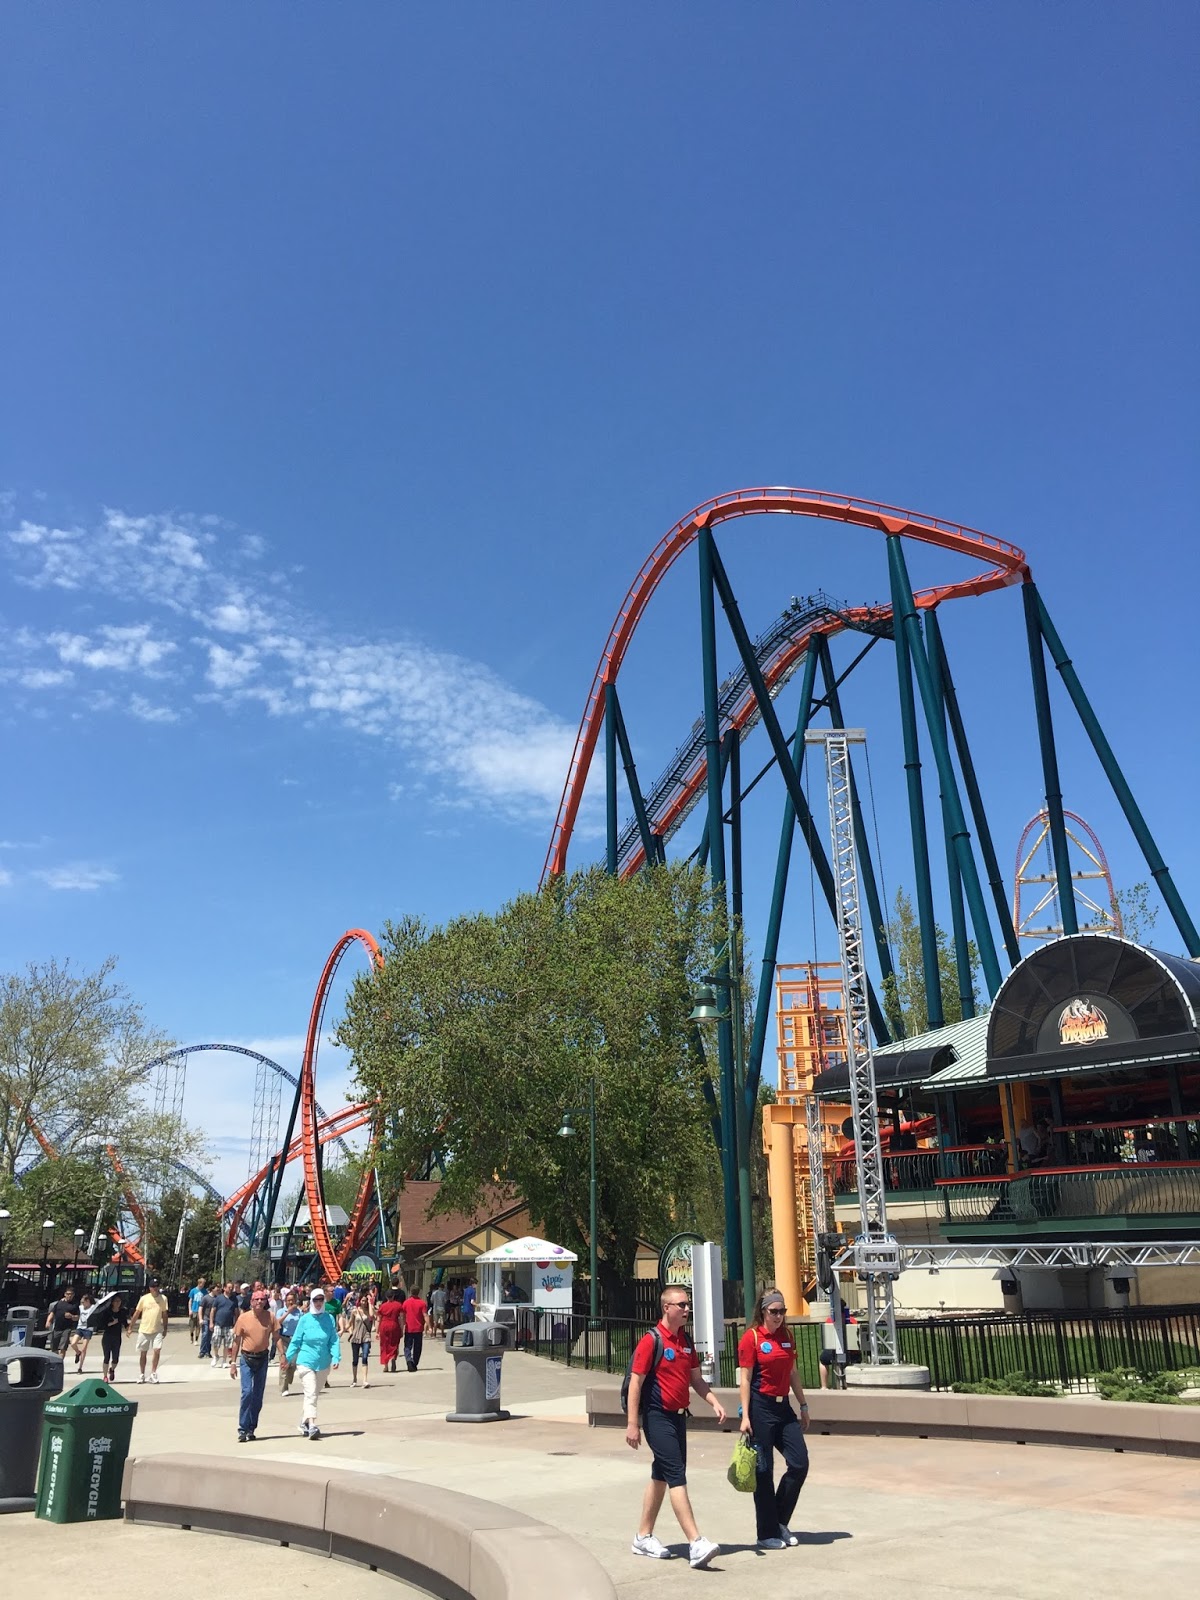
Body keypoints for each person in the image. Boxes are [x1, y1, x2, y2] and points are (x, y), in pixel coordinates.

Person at [626, 1288, 725, 1569]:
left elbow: (696, 1380)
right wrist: (633, 1423)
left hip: (679, 1417)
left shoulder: (685, 1341)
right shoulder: (651, 1341)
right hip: (657, 1417)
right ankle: (695, 1542)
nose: (686, 1309)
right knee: (677, 1476)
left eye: (688, 1305)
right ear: (666, 1307)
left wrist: (713, 1400)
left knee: (661, 1474)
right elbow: (636, 1383)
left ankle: (642, 1537)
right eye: (681, 1305)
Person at [737, 1290, 810, 1549]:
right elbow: (745, 1379)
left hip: (784, 1408)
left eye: (782, 1311)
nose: (779, 1316)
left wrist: (803, 1405)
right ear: (763, 1311)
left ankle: (779, 1521)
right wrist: (745, 1416)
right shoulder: (753, 1337)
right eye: (774, 1311)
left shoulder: (787, 1337)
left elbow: (792, 1372)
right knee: (764, 1471)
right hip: (761, 1408)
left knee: (799, 1463)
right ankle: (766, 1533)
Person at [285, 1287, 341, 1440]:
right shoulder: (305, 1319)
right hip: (306, 1361)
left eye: (321, 1299)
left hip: (323, 1362)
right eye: (315, 1300)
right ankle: (312, 1425)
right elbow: (296, 1341)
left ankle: (303, 1422)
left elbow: (333, 1340)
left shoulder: (329, 1319)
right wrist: (287, 1358)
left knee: (314, 1395)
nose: (318, 1302)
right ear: (311, 1301)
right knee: (310, 1392)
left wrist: (336, 1356)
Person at [230, 1287, 281, 1442]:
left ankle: (251, 1428)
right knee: (247, 1393)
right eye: (256, 1299)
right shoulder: (243, 1318)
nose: (259, 1301)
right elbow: (237, 1341)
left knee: (258, 1395)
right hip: (246, 1359)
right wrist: (232, 1363)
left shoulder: (270, 1317)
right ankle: (242, 1428)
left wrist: (283, 1355)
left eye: (262, 1299)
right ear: (251, 1302)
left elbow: (277, 1337)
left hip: (262, 1359)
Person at [127, 1276, 170, 1383]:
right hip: (144, 1329)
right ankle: (142, 1374)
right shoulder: (144, 1298)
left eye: (157, 1286)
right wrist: (130, 1327)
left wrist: (165, 1327)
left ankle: (153, 1373)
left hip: (157, 1329)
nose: (155, 1288)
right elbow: (137, 1313)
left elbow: (164, 1314)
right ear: (149, 1288)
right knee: (143, 1352)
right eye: (153, 1286)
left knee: (157, 1350)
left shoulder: (163, 1299)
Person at [94, 1292, 129, 1382]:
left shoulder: (122, 1312)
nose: (118, 1303)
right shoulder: (107, 1312)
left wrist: (128, 1329)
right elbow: (102, 1325)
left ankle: (112, 1369)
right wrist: (111, 1323)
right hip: (107, 1337)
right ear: (112, 1302)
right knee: (106, 1357)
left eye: (119, 1301)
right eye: (116, 1301)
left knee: (115, 1358)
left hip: (117, 1337)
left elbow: (125, 1323)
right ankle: (105, 1376)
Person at [346, 1292, 375, 1387]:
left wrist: (370, 1303)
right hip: (356, 1337)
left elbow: (371, 1315)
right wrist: (346, 1331)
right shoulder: (355, 1311)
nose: (364, 1302)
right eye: (362, 1300)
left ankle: (365, 1380)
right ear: (359, 1301)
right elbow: (350, 1323)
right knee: (355, 1359)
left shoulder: (369, 1310)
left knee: (365, 1357)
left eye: (365, 1301)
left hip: (366, 1336)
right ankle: (354, 1379)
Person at [277, 1289, 303, 1395]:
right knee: (284, 1362)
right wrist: (288, 1312)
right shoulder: (281, 1311)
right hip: (284, 1339)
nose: (290, 1302)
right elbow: (277, 1323)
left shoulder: (299, 1313)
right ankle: (284, 1388)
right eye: (288, 1300)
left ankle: (288, 1379)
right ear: (285, 1301)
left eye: (292, 1300)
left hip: (295, 1340)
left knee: (293, 1363)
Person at [209, 1281, 239, 1366]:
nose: (230, 1289)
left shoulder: (234, 1299)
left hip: (229, 1325)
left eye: (231, 1288)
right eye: (229, 1287)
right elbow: (213, 1310)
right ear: (225, 1288)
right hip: (218, 1323)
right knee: (216, 1341)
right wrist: (211, 1322)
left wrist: (236, 1324)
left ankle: (224, 1361)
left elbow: (236, 1312)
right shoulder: (218, 1298)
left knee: (227, 1343)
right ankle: (216, 1356)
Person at [403, 1287, 431, 1372]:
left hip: (409, 1328)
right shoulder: (422, 1303)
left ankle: (408, 1360)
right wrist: (429, 1326)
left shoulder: (406, 1303)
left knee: (407, 1346)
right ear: (419, 1292)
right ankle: (414, 1362)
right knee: (417, 1347)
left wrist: (402, 1325)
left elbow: (403, 1315)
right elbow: (425, 1315)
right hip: (418, 1328)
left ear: (410, 1292)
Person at [44, 1287, 78, 1354]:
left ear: (73, 1295)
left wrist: (71, 1316)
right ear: (65, 1294)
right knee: (54, 1347)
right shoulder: (59, 1303)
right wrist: (48, 1321)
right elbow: (52, 1313)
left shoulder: (75, 1305)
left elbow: (78, 1317)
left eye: (71, 1294)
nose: (69, 1295)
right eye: (68, 1294)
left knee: (63, 1347)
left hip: (67, 1328)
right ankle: (56, 1360)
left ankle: (60, 1361)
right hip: (57, 1328)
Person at [377, 1289, 404, 1373]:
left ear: (386, 1297)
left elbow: (379, 1319)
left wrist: (377, 1331)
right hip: (394, 1324)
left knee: (384, 1345)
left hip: (384, 1325)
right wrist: (402, 1329)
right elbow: (401, 1318)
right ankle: (393, 1358)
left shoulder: (382, 1306)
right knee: (394, 1343)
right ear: (393, 1296)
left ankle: (385, 1365)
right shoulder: (398, 1305)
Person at [69, 1292, 97, 1371]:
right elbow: (77, 1314)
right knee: (73, 1343)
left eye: (83, 1302)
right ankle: (78, 1352)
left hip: (88, 1329)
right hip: (80, 1327)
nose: (82, 1303)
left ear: (88, 1301)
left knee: (84, 1348)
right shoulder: (80, 1308)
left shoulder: (93, 1307)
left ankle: (80, 1367)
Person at [197, 1282, 216, 1360]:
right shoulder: (206, 1298)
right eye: (216, 1288)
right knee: (205, 1335)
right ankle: (202, 1352)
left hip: (213, 1320)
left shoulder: (217, 1298)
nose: (217, 1290)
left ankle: (208, 1352)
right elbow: (200, 1308)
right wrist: (200, 1319)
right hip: (205, 1319)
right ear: (212, 1289)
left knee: (210, 1337)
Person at [187, 1276, 207, 1342]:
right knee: (192, 1326)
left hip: (201, 1311)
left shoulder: (205, 1291)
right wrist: (190, 1310)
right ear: (199, 1283)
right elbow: (190, 1301)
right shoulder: (193, 1290)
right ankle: (191, 1336)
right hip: (194, 1309)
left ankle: (196, 1339)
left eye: (204, 1284)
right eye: (202, 1283)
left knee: (198, 1326)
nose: (203, 1285)